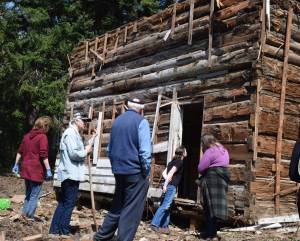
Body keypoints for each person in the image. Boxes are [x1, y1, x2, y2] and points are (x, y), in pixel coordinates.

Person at [94, 98, 151, 241]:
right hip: (135, 172)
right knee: (131, 212)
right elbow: (145, 152)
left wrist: (115, 168)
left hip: (119, 171)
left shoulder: (117, 122)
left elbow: (109, 150)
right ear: (141, 109)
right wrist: (146, 172)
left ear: (127, 107)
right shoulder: (141, 122)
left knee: (117, 207)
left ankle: (101, 237)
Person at [49, 112, 96, 235]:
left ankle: (55, 230)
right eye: (83, 121)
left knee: (64, 202)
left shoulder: (74, 134)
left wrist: (92, 140)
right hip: (70, 174)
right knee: (68, 203)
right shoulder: (70, 134)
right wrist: (86, 150)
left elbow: (79, 149)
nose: (85, 123)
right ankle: (63, 231)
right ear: (76, 121)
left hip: (72, 173)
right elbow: (74, 154)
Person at [12, 116, 52, 219]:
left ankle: (24, 215)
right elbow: (43, 155)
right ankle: (29, 217)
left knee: (28, 194)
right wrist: (48, 169)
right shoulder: (42, 137)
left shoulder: (26, 136)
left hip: (26, 169)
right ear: (45, 126)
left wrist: (16, 164)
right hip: (36, 170)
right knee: (34, 195)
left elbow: (20, 152)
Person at [197, 134, 230, 240]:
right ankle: (212, 233)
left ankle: (211, 234)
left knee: (209, 207)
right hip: (222, 179)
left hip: (212, 180)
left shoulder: (210, 151)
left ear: (205, 142)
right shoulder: (223, 150)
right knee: (215, 209)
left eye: (202, 143)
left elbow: (201, 168)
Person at [150, 146, 187, 234]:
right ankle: (154, 224)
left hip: (169, 185)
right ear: (183, 153)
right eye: (186, 151)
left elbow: (164, 173)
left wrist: (166, 180)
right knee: (165, 206)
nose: (186, 152)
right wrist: (166, 185)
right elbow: (171, 173)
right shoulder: (180, 162)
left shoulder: (172, 162)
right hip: (171, 186)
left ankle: (164, 226)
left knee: (167, 206)